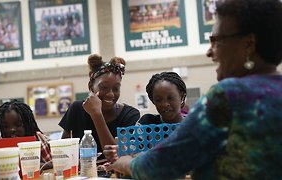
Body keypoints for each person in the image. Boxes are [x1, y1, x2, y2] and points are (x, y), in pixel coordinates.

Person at [107, 0, 282, 179]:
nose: (209, 52)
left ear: (248, 44)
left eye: (216, 41)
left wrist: (126, 163)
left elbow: (160, 165)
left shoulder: (228, 95)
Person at [59, 54, 140, 159]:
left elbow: (117, 156)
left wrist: (96, 115)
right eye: (104, 87)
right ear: (91, 87)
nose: (111, 94)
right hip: (84, 173)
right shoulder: (76, 109)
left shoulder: (130, 115)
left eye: (116, 88)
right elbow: (63, 152)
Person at [103, 72, 187, 162]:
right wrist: (121, 151)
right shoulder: (147, 123)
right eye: (158, 100)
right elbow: (133, 149)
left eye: (170, 98)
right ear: (153, 101)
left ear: (182, 96)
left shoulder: (194, 125)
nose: (165, 104)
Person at [0, 100, 51, 165]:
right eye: (5, 126)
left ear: (27, 124)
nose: (12, 130)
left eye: (18, 124)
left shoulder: (37, 138)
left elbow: (52, 164)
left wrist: (34, 165)